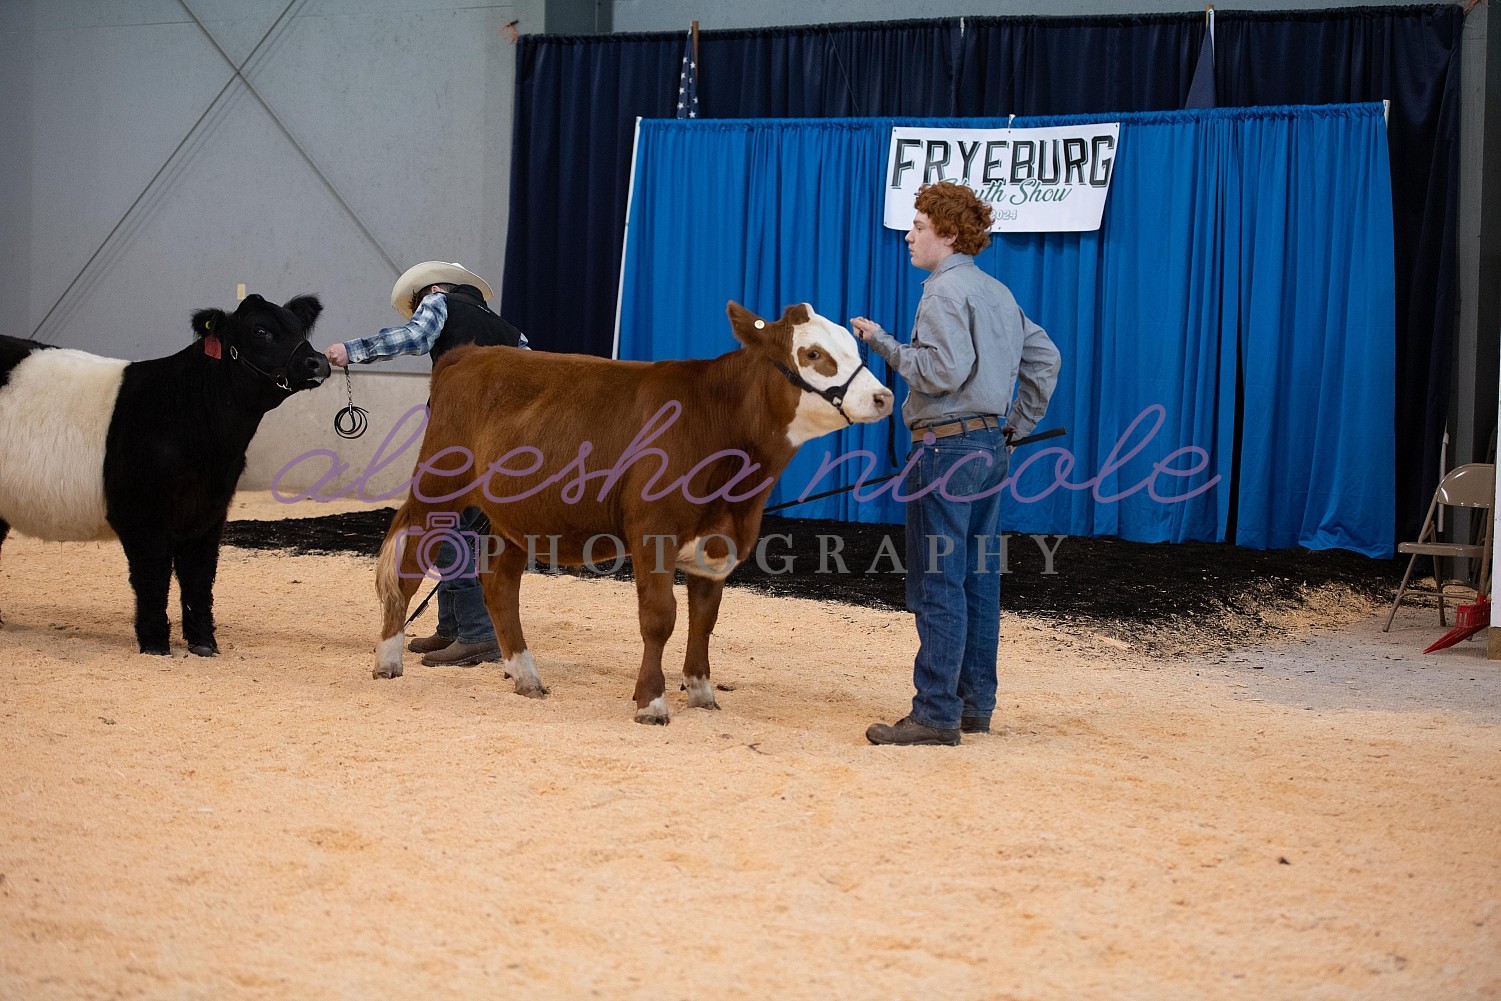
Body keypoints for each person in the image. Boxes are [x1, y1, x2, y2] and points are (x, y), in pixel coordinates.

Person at [852, 182, 1061, 746]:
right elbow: (1045, 358)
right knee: (976, 578)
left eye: (918, 226)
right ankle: (973, 705)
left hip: (945, 450)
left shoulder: (943, 294)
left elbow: (941, 371)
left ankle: (936, 713)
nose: (908, 235)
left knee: (938, 580)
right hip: (990, 448)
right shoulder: (996, 292)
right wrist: (1016, 426)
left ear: (946, 234)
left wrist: (885, 345)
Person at [325, 261, 529, 667]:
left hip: (464, 441)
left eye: (417, 302)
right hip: (507, 447)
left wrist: (352, 351)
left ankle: (476, 634)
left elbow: (414, 337)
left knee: (445, 528)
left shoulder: (438, 300)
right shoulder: (511, 331)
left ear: (432, 288)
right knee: (463, 530)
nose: (420, 308)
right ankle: (453, 628)